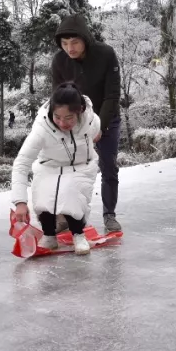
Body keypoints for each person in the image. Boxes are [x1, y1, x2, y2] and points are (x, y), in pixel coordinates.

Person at [50, 13, 123, 234]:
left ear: (85, 39)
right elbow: (58, 98)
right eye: (64, 44)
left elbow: (112, 95)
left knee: (108, 167)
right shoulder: (59, 61)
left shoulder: (105, 54)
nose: (69, 48)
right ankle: (67, 216)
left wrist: (100, 126)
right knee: (68, 169)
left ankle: (109, 215)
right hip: (75, 122)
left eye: (74, 42)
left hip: (107, 117)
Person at [10, 82, 102, 255]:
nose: (62, 122)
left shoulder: (91, 120)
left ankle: (78, 234)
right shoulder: (41, 129)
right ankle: (49, 235)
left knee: (70, 192)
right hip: (49, 167)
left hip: (81, 167)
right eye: (57, 117)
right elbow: (21, 163)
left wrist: (99, 133)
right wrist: (20, 202)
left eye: (69, 118)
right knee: (44, 196)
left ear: (80, 111)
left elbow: (97, 127)